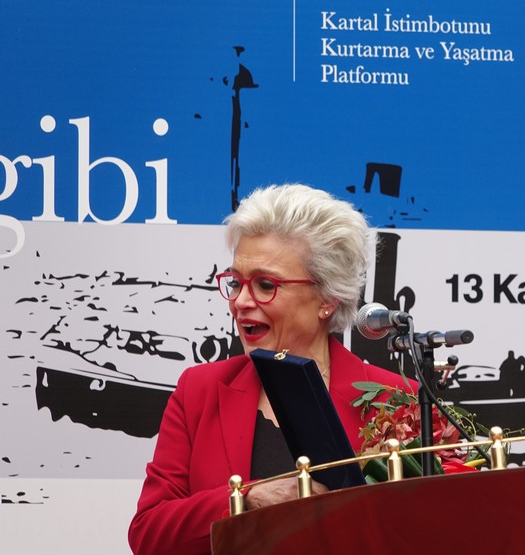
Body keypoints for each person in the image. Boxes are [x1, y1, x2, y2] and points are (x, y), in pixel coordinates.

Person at [128, 184, 414, 555]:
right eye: (236, 283)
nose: (241, 302)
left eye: (265, 285)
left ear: (327, 299)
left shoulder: (397, 401)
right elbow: (149, 534)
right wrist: (246, 499)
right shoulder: (199, 389)